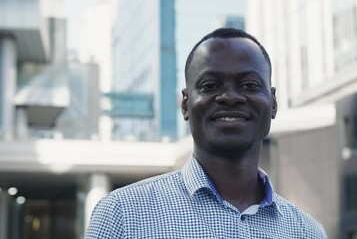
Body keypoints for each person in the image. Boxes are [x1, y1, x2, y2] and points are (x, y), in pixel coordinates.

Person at [85, 28, 328, 238]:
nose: (230, 97)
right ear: (185, 104)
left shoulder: (307, 233)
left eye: (249, 85)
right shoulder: (122, 216)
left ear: (272, 103)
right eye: (210, 86)